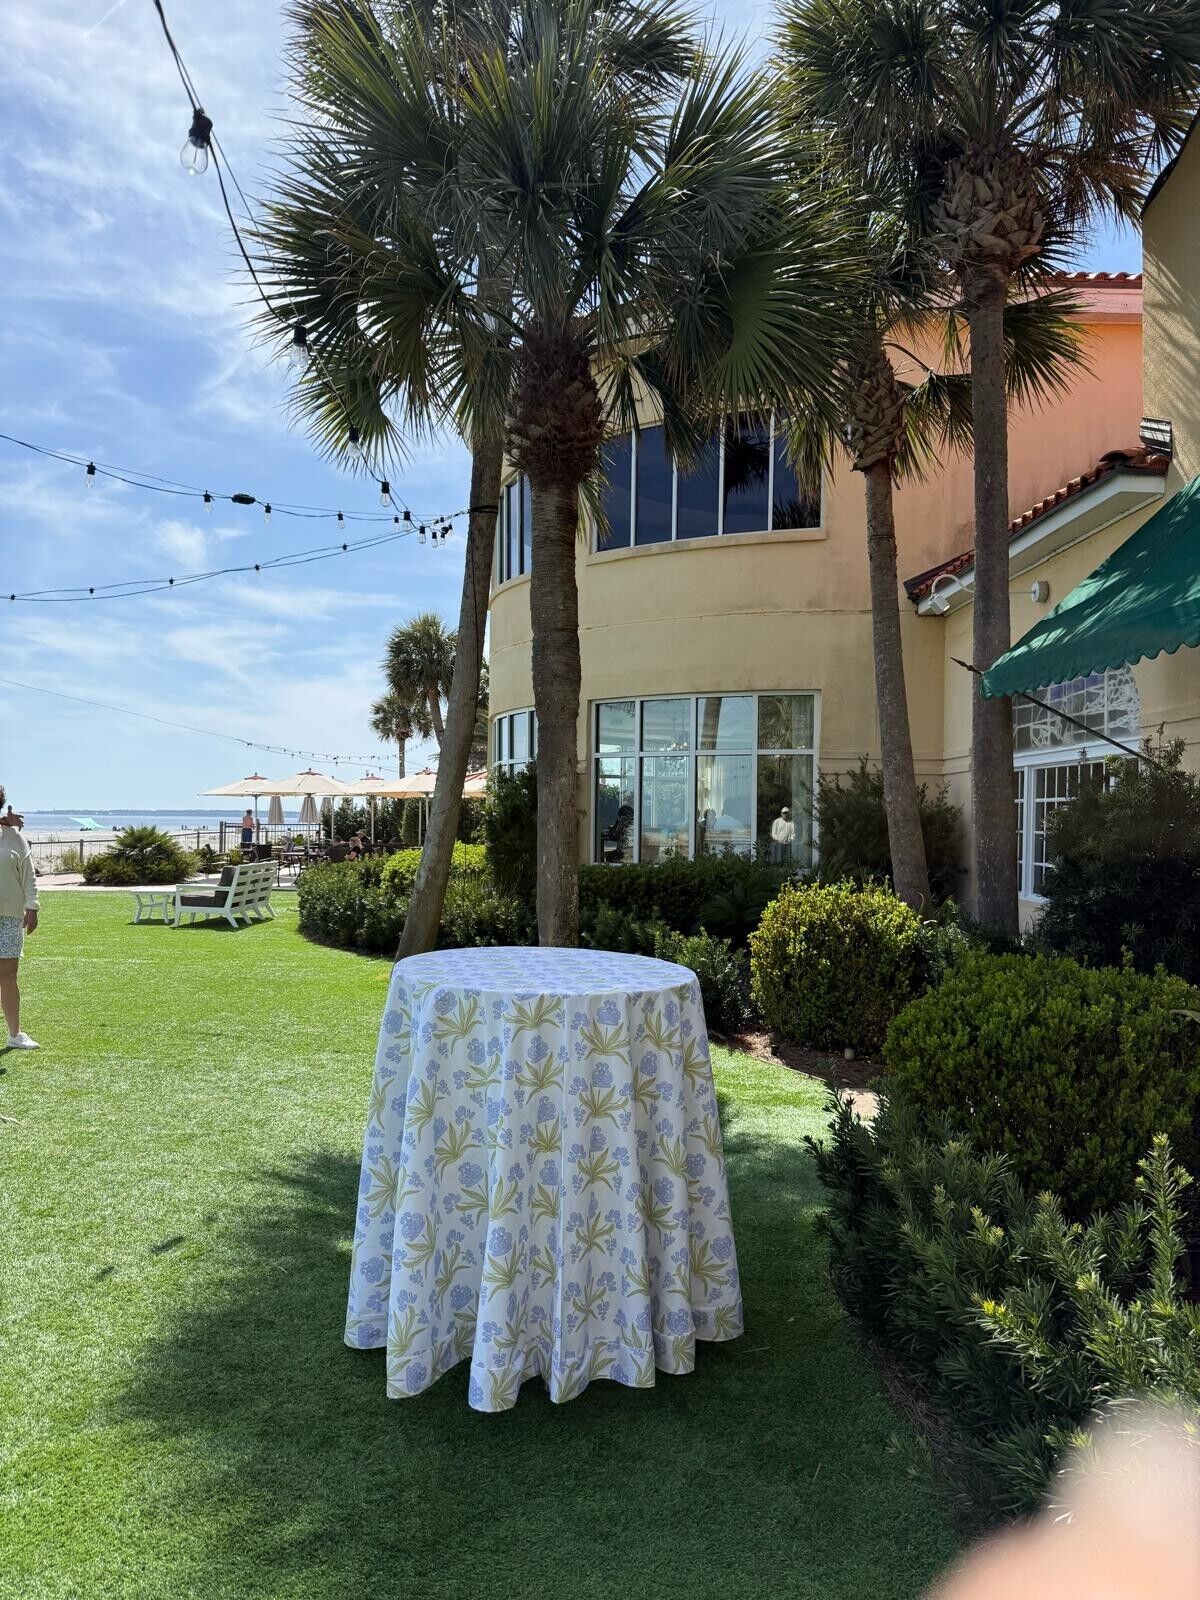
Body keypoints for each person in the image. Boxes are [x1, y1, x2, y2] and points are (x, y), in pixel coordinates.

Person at [0, 786, 39, 1050]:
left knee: (8, 976)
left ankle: (15, 1034)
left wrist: (32, 906)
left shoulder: (14, 837)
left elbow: (28, 875)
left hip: (9, 916)